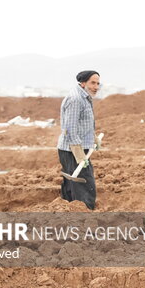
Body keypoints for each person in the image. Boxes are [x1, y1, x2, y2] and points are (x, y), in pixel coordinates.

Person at [57, 70, 101, 210]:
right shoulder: (76, 99)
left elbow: (83, 123)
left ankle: (71, 218)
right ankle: (85, 220)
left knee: (73, 186)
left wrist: (93, 139)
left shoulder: (85, 98)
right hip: (72, 151)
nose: (96, 87)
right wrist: (79, 153)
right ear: (83, 83)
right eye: (92, 83)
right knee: (85, 186)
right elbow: (70, 128)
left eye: (98, 83)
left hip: (77, 149)